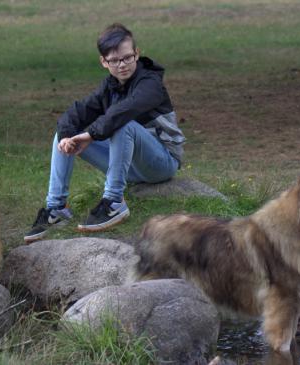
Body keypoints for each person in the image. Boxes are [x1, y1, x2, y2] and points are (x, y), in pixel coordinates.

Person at [24, 23, 185, 243]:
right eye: (115, 60)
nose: (122, 65)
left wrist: (90, 135)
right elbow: (77, 112)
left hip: (162, 163)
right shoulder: (109, 86)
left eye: (127, 57)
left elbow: (124, 111)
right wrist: (66, 138)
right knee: (67, 132)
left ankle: (114, 202)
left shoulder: (151, 83)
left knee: (123, 123)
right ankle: (56, 208)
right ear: (103, 62)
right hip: (130, 168)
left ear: (137, 54)